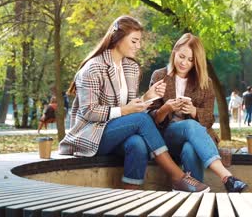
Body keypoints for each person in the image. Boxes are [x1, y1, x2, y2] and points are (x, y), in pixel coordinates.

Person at [59, 16, 209, 192]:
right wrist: (124, 111)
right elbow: (89, 112)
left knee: (137, 144)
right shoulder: (92, 68)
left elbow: (130, 106)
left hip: (118, 131)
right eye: (134, 41)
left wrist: (146, 97)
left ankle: (130, 196)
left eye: (139, 41)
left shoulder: (131, 68)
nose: (138, 46)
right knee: (141, 120)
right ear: (118, 38)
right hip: (92, 134)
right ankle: (178, 177)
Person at [148, 33, 248, 193]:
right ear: (174, 52)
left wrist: (194, 111)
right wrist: (166, 108)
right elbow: (151, 119)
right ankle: (227, 177)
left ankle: (195, 194)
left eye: (190, 60)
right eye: (181, 56)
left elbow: (209, 119)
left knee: (190, 149)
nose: (184, 63)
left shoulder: (205, 82)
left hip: (196, 139)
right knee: (189, 126)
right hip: (166, 137)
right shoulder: (159, 76)